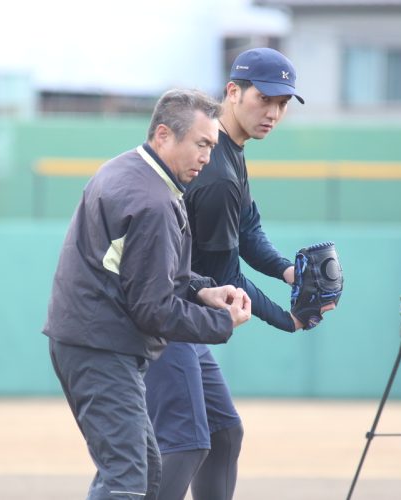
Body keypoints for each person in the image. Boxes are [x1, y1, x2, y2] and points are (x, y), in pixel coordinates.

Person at [144, 48, 336, 500]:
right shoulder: (217, 175)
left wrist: (289, 273)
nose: (273, 112)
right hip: (164, 312)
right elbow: (225, 272)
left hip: (185, 310)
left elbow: (247, 229)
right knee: (188, 442)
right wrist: (286, 318)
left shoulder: (231, 152)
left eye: (283, 104)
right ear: (233, 92)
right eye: (264, 98)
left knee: (224, 433)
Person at [43, 88, 253, 500]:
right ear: (163, 135)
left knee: (144, 471)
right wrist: (221, 321)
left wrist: (202, 291)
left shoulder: (131, 171)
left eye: (212, 146)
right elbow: (154, 311)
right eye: (201, 144)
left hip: (93, 339)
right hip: (100, 346)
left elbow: (145, 273)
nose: (207, 157)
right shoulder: (152, 199)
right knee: (128, 478)